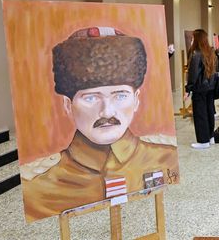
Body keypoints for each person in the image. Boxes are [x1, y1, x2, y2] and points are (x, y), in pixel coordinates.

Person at [21, 27, 178, 221]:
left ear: (136, 99)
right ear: (68, 105)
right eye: (91, 98)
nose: (107, 112)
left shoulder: (166, 156)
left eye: (120, 95)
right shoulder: (37, 185)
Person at [186, 29, 218, 150]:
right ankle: (210, 137)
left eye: (193, 38)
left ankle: (203, 140)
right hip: (210, 87)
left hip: (199, 88)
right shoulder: (210, 52)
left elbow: (193, 74)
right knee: (209, 111)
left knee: (200, 114)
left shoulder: (196, 54)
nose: (191, 40)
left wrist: (188, 89)